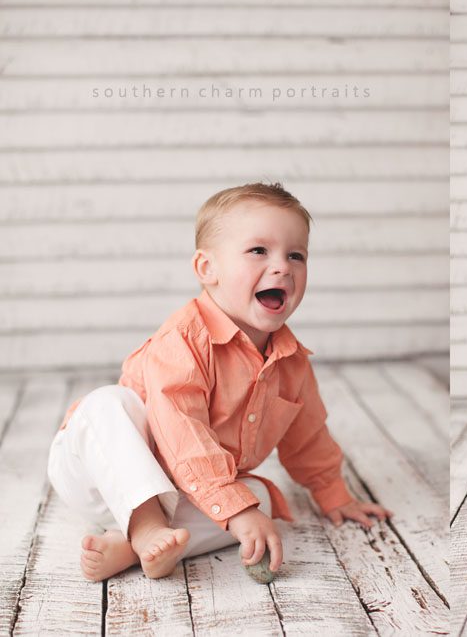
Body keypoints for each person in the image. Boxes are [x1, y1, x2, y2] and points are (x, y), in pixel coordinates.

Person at [47, 183, 392, 581]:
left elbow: (308, 436)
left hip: (177, 493)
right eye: (259, 251)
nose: (282, 266)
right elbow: (182, 431)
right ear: (206, 268)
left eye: (296, 255)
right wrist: (234, 508)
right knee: (107, 402)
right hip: (100, 473)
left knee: (259, 498)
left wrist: (334, 493)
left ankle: (130, 547)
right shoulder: (184, 340)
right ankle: (143, 526)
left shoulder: (291, 362)